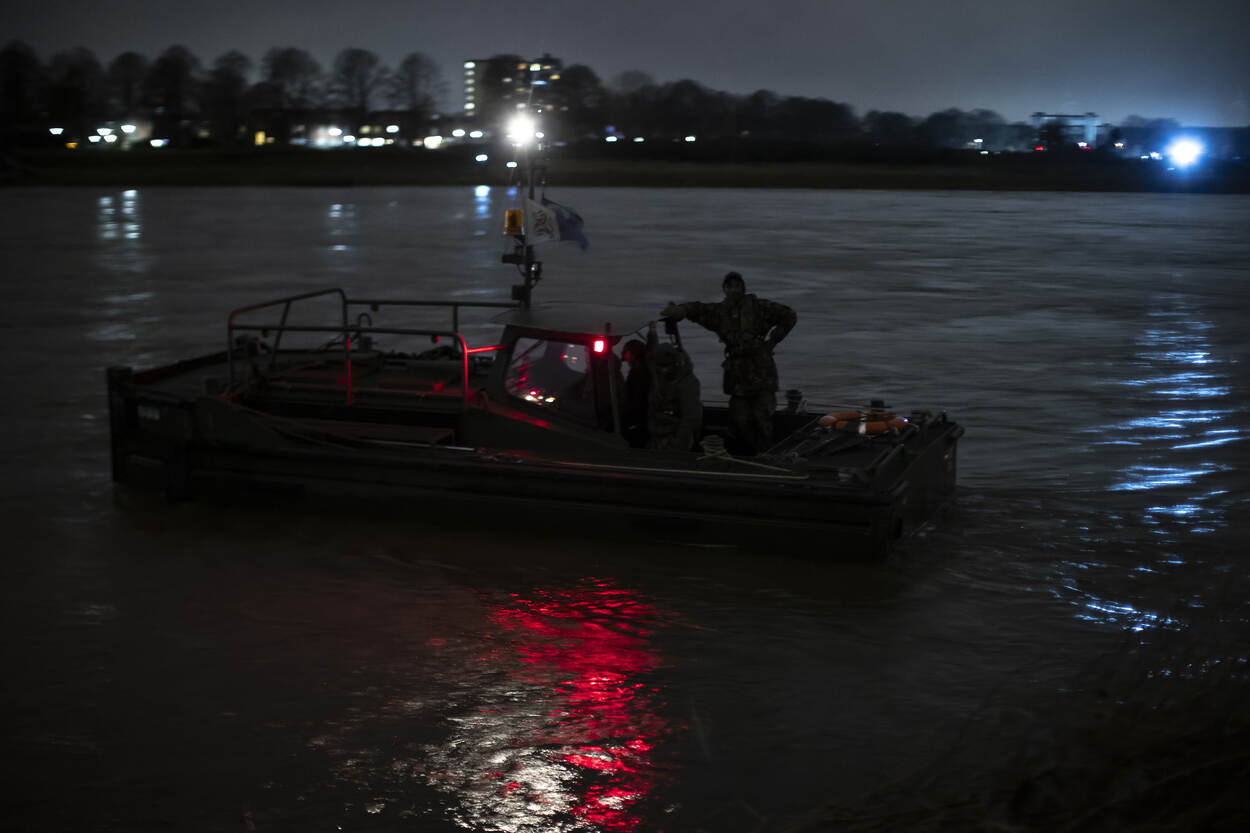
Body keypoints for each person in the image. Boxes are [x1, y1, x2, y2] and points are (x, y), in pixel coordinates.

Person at [661, 271, 796, 454]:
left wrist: (772, 341)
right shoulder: (719, 313)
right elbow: (698, 309)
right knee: (740, 419)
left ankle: (766, 456)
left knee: (762, 418)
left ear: (743, 288)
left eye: (737, 286)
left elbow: (789, 316)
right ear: (724, 290)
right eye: (729, 286)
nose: (734, 290)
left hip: (761, 371)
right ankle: (753, 455)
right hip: (737, 376)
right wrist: (680, 310)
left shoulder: (759, 307)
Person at [644, 322, 702, 452]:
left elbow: (691, 418)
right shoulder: (658, 372)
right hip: (656, 434)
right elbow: (650, 355)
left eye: (667, 366)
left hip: (675, 438)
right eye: (660, 367)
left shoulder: (687, 383)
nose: (663, 371)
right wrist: (652, 332)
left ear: (675, 363)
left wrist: (677, 447)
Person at [620, 338, 650, 446]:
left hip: (640, 418)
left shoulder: (639, 374)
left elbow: (636, 400)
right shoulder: (644, 370)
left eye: (626, 352)